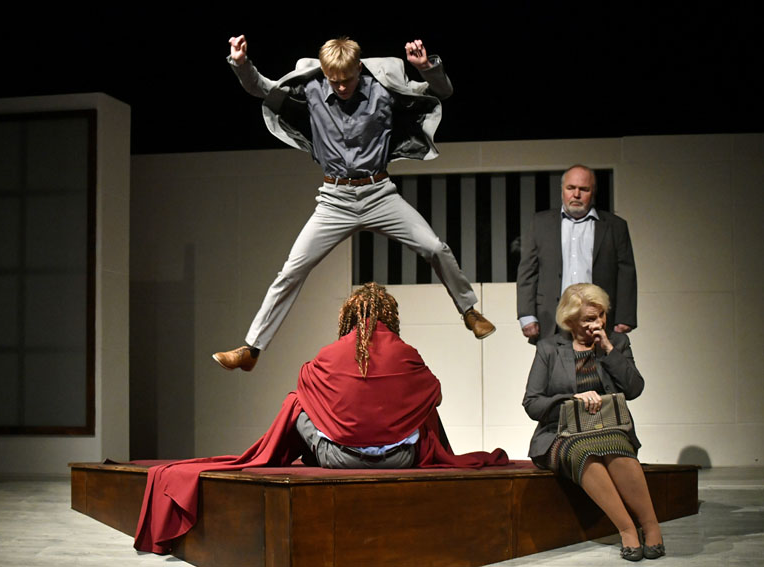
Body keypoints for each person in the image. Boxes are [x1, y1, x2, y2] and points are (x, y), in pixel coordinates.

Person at [135, 283, 508, 553]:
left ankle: (279, 455)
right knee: (421, 409)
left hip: (337, 458)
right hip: (402, 458)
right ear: (390, 316)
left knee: (297, 400)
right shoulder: (406, 352)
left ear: (349, 315)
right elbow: (434, 393)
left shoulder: (332, 352)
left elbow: (305, 382)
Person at [213, 35, 495, 372]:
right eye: (334, 80)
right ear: (325, 73)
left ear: (359, 68)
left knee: (435, 247)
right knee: (291, 270)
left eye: (347, 79)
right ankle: (252, 349)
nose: (342, 87)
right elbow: (261, 87)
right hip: (334, 200)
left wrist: (427, 68)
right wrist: (241, 64)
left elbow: (439, 93)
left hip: (379, 194)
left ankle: (469, 311)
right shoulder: (312, 88)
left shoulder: (382, 89)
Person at [522, 283, 664, 561]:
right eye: (589, 319)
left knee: (616, 447)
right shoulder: (549, 348)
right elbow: (532, 403)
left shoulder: (617, 343)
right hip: (562, 434)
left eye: (601, 315)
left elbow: (634, 389)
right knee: (583, 452)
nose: (597, 324)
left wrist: (609, 350)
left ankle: (651, 527)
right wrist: (571, 398)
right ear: (570, 320)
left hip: (609, 427)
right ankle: (627, 530)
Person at [516, 164, 637, 344]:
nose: (576, 194)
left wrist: (625, 317)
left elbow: (626, 273)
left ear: (593, 192)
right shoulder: (540, 223)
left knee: (598, 363)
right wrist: (527, 315)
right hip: (552, 319)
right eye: (570, 188)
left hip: (599, 320)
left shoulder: (615, 226)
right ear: (562, 190)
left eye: (584, 189)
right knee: (553, 363)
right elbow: (528, 272)